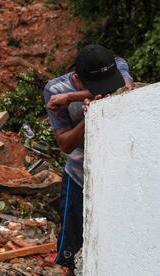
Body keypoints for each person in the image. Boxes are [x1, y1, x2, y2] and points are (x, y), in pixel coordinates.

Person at [43, 44, 134, 270]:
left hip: (115, 178)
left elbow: (127, 87)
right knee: (71, 253)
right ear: (77, 77)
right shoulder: (55, 89)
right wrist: (91, 115)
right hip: (78, 178)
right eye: (95, 86)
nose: (102, 89)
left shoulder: (117, 65)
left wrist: (73, 97)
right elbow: (64, 143)